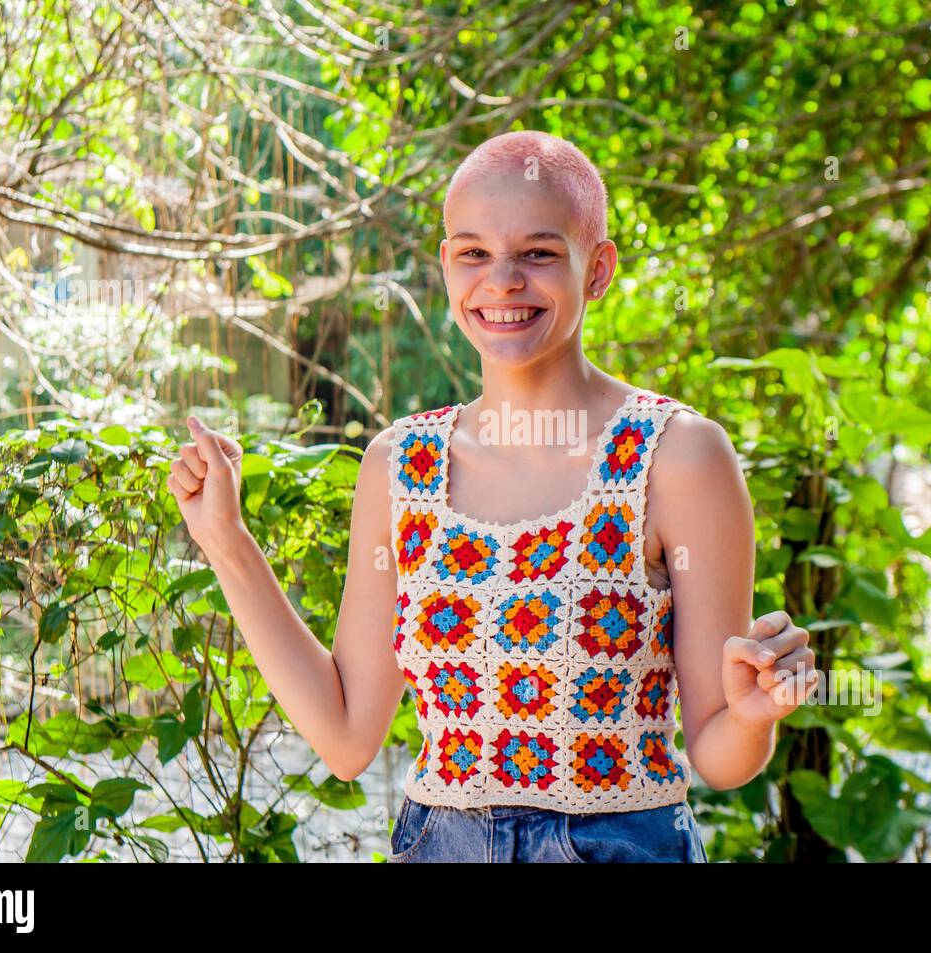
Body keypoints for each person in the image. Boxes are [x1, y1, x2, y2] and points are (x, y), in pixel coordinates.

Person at [166, 130, 818, 863]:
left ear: (596, 270)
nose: (502, 280)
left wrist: (755, 714)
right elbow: (346, 735)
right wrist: (225, 538)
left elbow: (718, 752)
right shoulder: (399, 465)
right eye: (474, 252)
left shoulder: (679, 456)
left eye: (538, 252)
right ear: (448, 267)